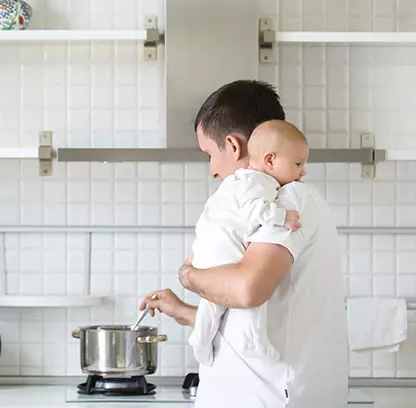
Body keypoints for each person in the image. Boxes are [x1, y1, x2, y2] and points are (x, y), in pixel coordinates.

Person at [140, 80, 348, 408]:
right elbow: (266, 318)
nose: (211, 170)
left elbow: (247, 291)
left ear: (234, 146)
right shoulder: (275, 201)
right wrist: (187, 313)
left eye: (209, 154)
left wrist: (188, 275)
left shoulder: (289, 199)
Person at [189, 119, 308, 367]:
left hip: (210, 250)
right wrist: (283, 216)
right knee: (251, 302)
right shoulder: (259, 182)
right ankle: (255, 342)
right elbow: (255, 212)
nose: (303, 171)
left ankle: (200, 340)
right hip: (225, 250)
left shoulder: (244, 181)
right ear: (269, 160)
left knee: (212, 306)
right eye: (298, 164)